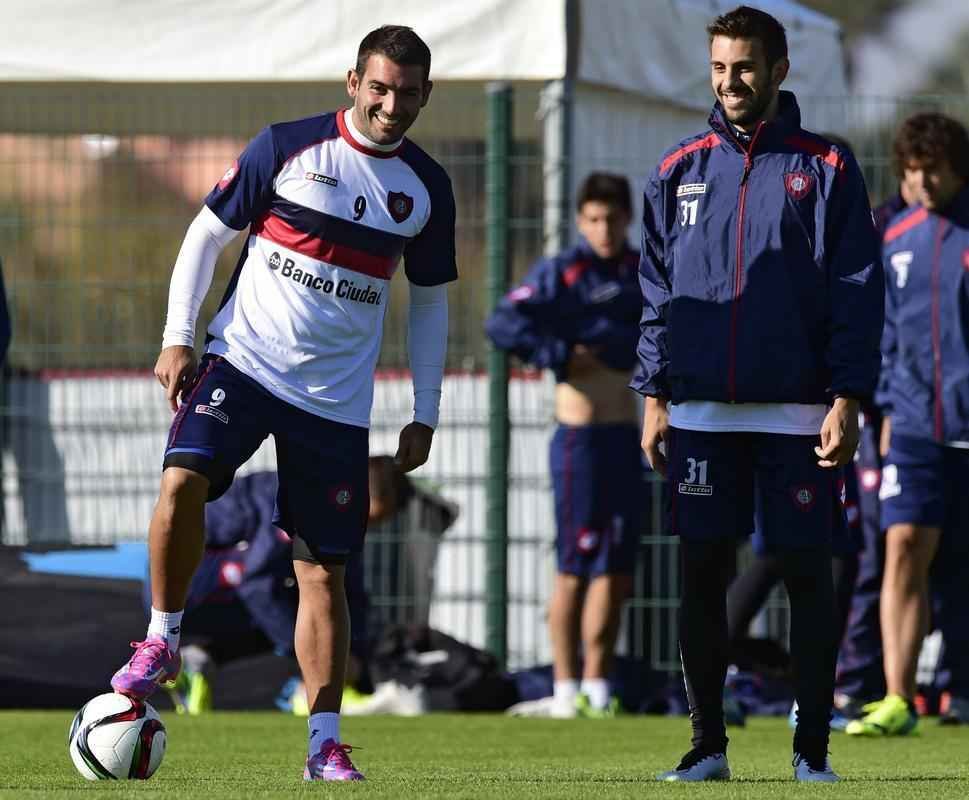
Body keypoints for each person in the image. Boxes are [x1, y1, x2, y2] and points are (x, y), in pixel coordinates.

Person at [108, 25, 456, 782]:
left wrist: (424, 408)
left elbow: (430, 304)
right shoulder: (288, 146)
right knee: (180, 484)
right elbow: (205, 237)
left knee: (319, 572)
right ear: (352, 83)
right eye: (379, 87)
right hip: (243, 363)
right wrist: (178, 337)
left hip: (333, 403)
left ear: (426, 94)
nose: (391, 103)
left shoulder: (426, 188)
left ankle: (322, 743)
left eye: (406, 91)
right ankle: (162, 639)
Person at [632, 5, 882, 783]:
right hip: (700, 413)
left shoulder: (829, 169)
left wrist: (847, 396)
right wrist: (653, 391)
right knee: (701, 574)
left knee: (809, 578)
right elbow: (656, 290)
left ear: (777, 70)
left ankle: (811, 753)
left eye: (743, 67)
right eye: (717, 67)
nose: (729, 81)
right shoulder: (676, 169)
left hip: (798, 415)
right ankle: (708, 746)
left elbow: (854, 289)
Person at [485, 172, 647, 718]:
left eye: (614, 219)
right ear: (581, 221)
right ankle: (562, 687)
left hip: (626, 436)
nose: (604, 229)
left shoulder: (640, 272)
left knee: (616, 567)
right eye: (594, 219)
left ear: (628, 220)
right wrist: (558, 353)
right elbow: (504, 321)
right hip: (578, 439)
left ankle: (597, 685)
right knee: (574, 563)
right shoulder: (563, 272)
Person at [846, 112, 969, 737]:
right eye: (913, 170)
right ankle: (898, 696)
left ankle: (958, 688)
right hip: (914, 426)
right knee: (900, 552)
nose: (922, 181)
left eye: (934, 170)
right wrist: (886, 410)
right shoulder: (896, 237)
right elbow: (885, 336)